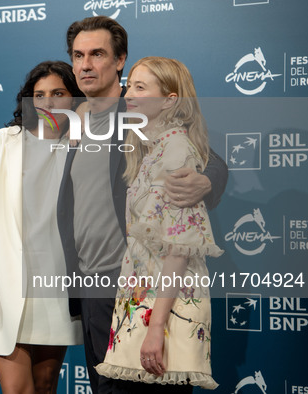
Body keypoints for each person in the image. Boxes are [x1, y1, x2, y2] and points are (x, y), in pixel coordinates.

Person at [57, 16, 228, 394]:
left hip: (135, 287)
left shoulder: (138, 111)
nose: (85, 64)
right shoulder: (76, 121)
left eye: (97, 54)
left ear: (119, 61)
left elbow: (206, 156)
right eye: (78, 55)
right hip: (92, 288)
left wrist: (206, 180)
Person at [95, 56, 223, 392]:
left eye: (140, 87)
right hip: (141, 301)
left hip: (164, 309)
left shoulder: (177, 150)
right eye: (129, 86)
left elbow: (179, 249)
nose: (129, 95)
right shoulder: (151, 149)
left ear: (170, 100)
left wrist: (156, 326)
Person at [0, 61, 84, 394]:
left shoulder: (82, 147)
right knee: (17, 388)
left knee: (45, 385)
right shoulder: (5, 141)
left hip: (57, 284)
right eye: (39, 94)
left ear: (74, 99)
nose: (47, 102)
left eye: (58, 93)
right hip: (5, 285)